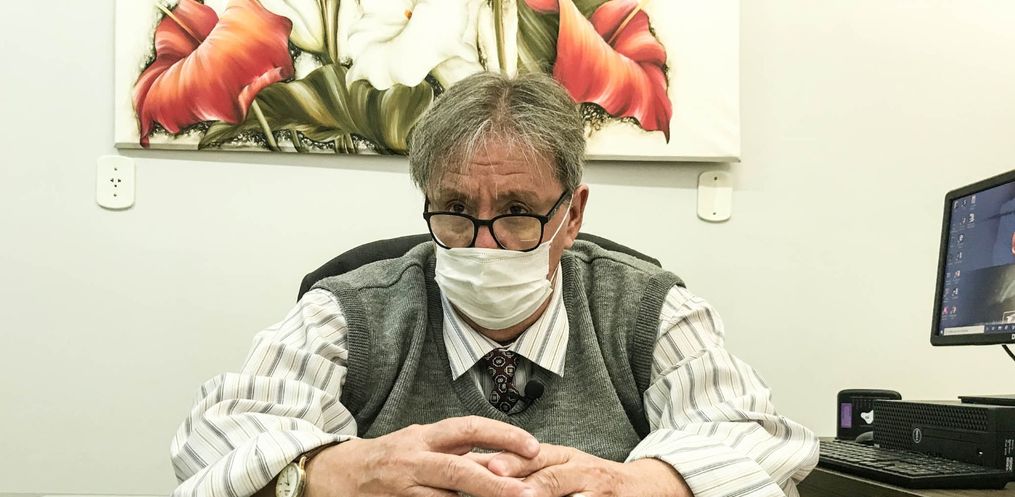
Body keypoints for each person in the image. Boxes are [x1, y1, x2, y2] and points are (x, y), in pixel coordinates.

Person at [171, 72, 818, 497]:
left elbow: (763, 443)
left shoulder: (650, 310)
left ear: (572, 215)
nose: (483, 244)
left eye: (516, 212)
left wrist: (644, 481)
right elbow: (214, 437)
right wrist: (333, 469)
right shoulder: (347, 312)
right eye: (455, 209)